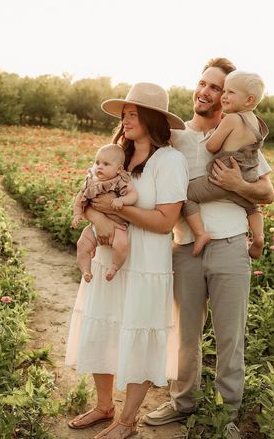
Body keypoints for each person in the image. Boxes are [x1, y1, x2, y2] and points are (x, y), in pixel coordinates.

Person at [139, 58, 274, 439]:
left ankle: (226, 413)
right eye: (203, 83)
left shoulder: (241, 134)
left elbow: (266, 193)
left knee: (231, 335)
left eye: (216, 87)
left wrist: (239, 184)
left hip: (231, 247)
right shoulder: (174, 138)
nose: (205, 91)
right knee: (185, 334)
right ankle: (183, 403)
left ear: (229, 97)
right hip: (186, 248)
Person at [65, 82, 188, 439]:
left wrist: (121, 211)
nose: (126, 119)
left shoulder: (169, 161)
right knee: (103, 326)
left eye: (134, 114)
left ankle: (128, 420)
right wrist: (100, 219)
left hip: (147, 263)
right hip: (109, 258)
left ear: (153, 119)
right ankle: (104, 406)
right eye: (124, 114)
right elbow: (87, 197)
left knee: (140, 331)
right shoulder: (114, 154)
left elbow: (166, 221)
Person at [182, 70, 269, 260]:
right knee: (252, 208)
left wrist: (214, 135)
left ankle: (200, 233)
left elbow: (212, 146)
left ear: (248, 100)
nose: (224, 97)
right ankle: (259, 237)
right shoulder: (256, 123)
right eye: (225, 91)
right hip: (248, 174)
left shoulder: (230, 120)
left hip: (220, 177)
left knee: (185, 195)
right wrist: (243, 186)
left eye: (227, 92)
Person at [72, 143, 138, 282]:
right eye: (97, 162)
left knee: (122, 244)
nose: (99, 166)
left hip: (117, 227)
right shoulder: (91, 181)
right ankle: (85, 271)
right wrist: (77, 213)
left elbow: (134, 195)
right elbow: (80, 198)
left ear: (119, 169)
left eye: (106, 164)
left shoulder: (120, 180)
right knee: (82, 245)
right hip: (94, 227)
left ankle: (114, 267)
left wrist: (123, 201)